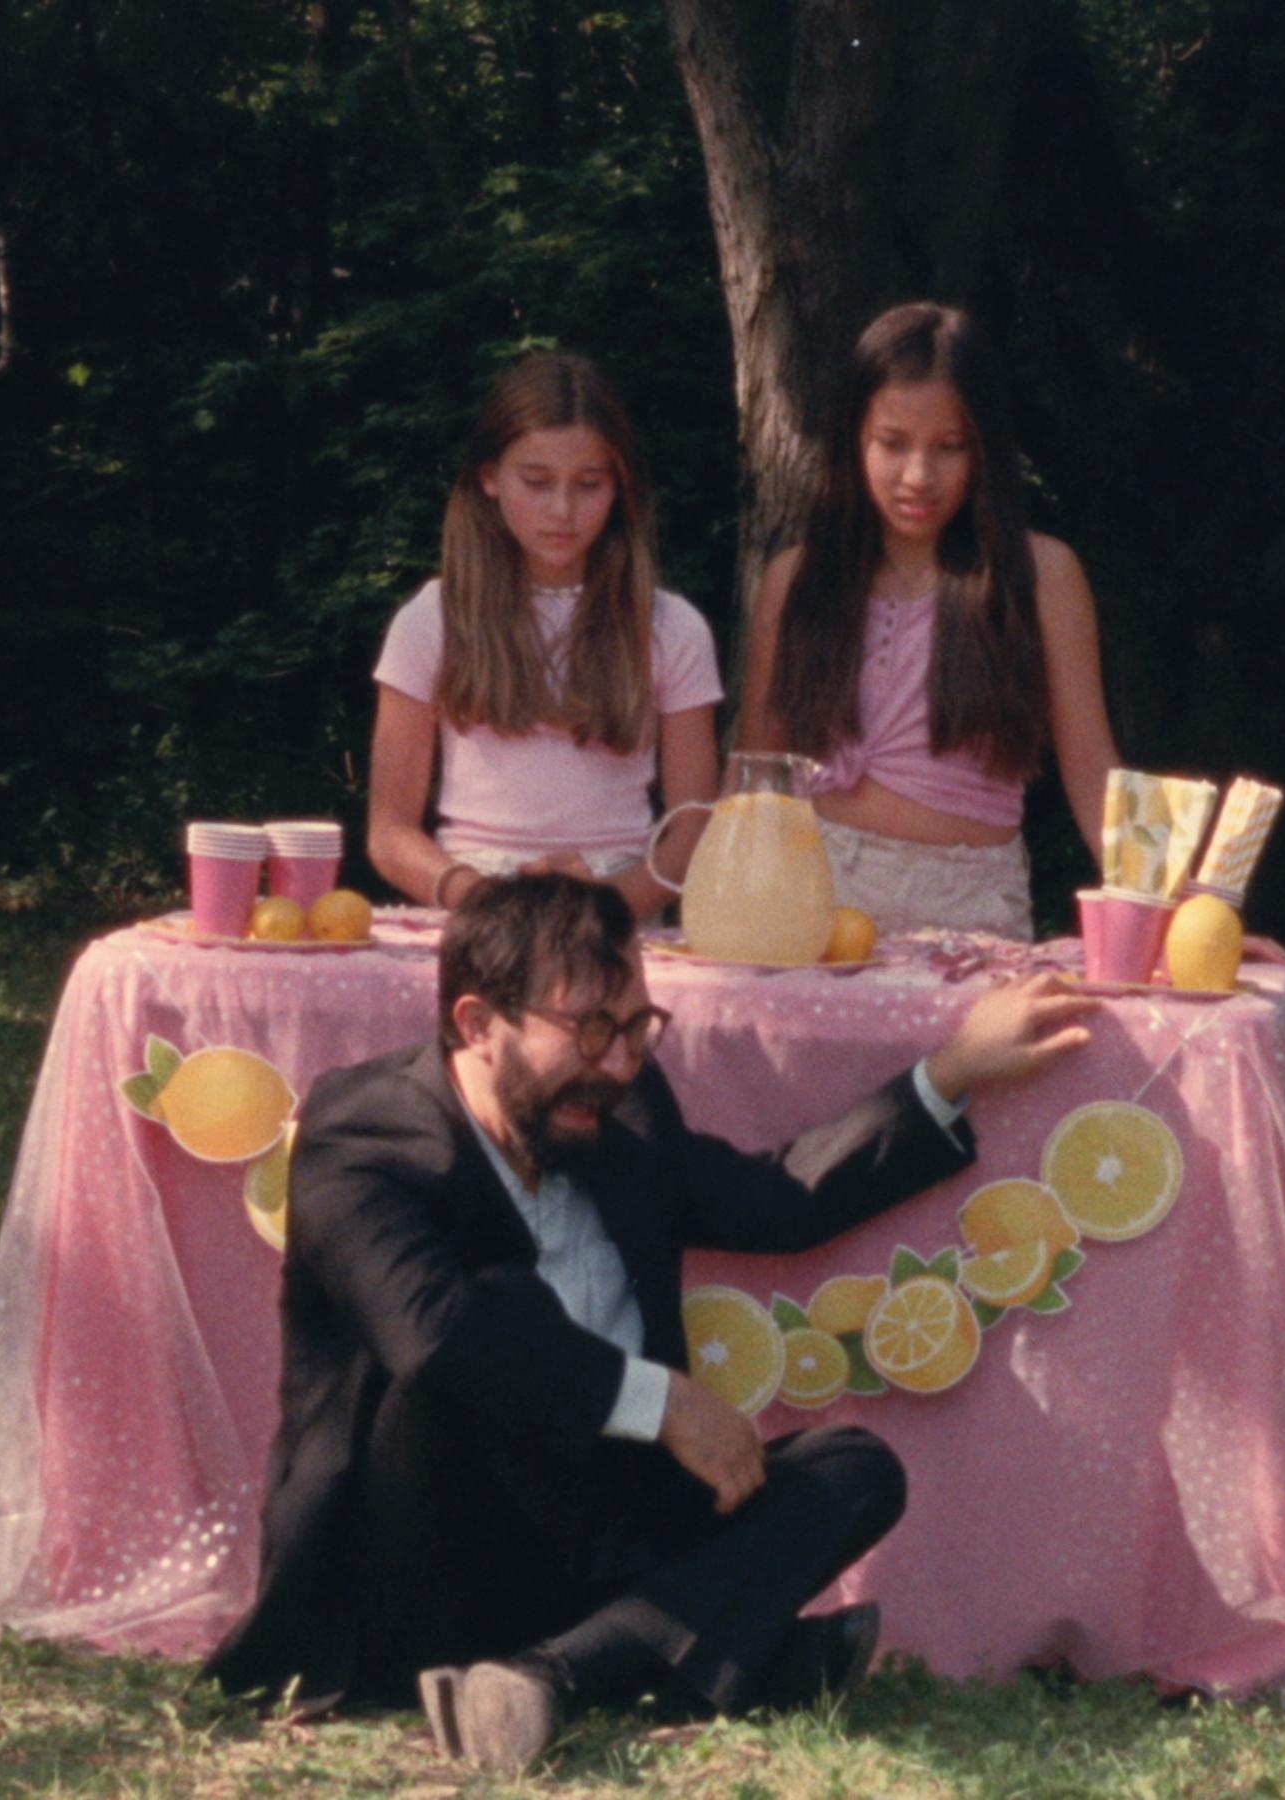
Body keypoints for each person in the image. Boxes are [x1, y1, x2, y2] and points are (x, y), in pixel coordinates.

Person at [202, 874, 1098, 1773]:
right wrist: (661, 1402)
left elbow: (774, 1201)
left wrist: (950, 1074)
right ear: (479, 1023)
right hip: (429, 1556)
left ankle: (556, 1677)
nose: (622, 1059)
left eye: (638, 1025)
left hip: (597, 1540)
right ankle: (718, 1658)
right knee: (503, 1311)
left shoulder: (617, 1103)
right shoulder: (362, 1134)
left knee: (854, 1472)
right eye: (592, 1027)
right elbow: (436, 1336)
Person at [738, 302, 1122, 940]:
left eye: (949, 448)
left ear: (985, 453)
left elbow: (1095, 771)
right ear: (852, 438)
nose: (918, 476)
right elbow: (752, 779)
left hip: (968, 911)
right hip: (803, 897)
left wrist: (1176, 912)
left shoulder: (1041, 574)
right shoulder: (796, 579)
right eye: (892, 444)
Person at [367, 352, 721, 921]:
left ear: (619, 488)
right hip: (474, 902)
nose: (562, 509)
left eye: (588, 484)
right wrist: (480, 896)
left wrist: (606, 904)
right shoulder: (432, 619)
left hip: (618, 906)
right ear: (489, 476)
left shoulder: (672, 627)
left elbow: (694, 829)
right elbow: (389, 833)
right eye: (536, 481)